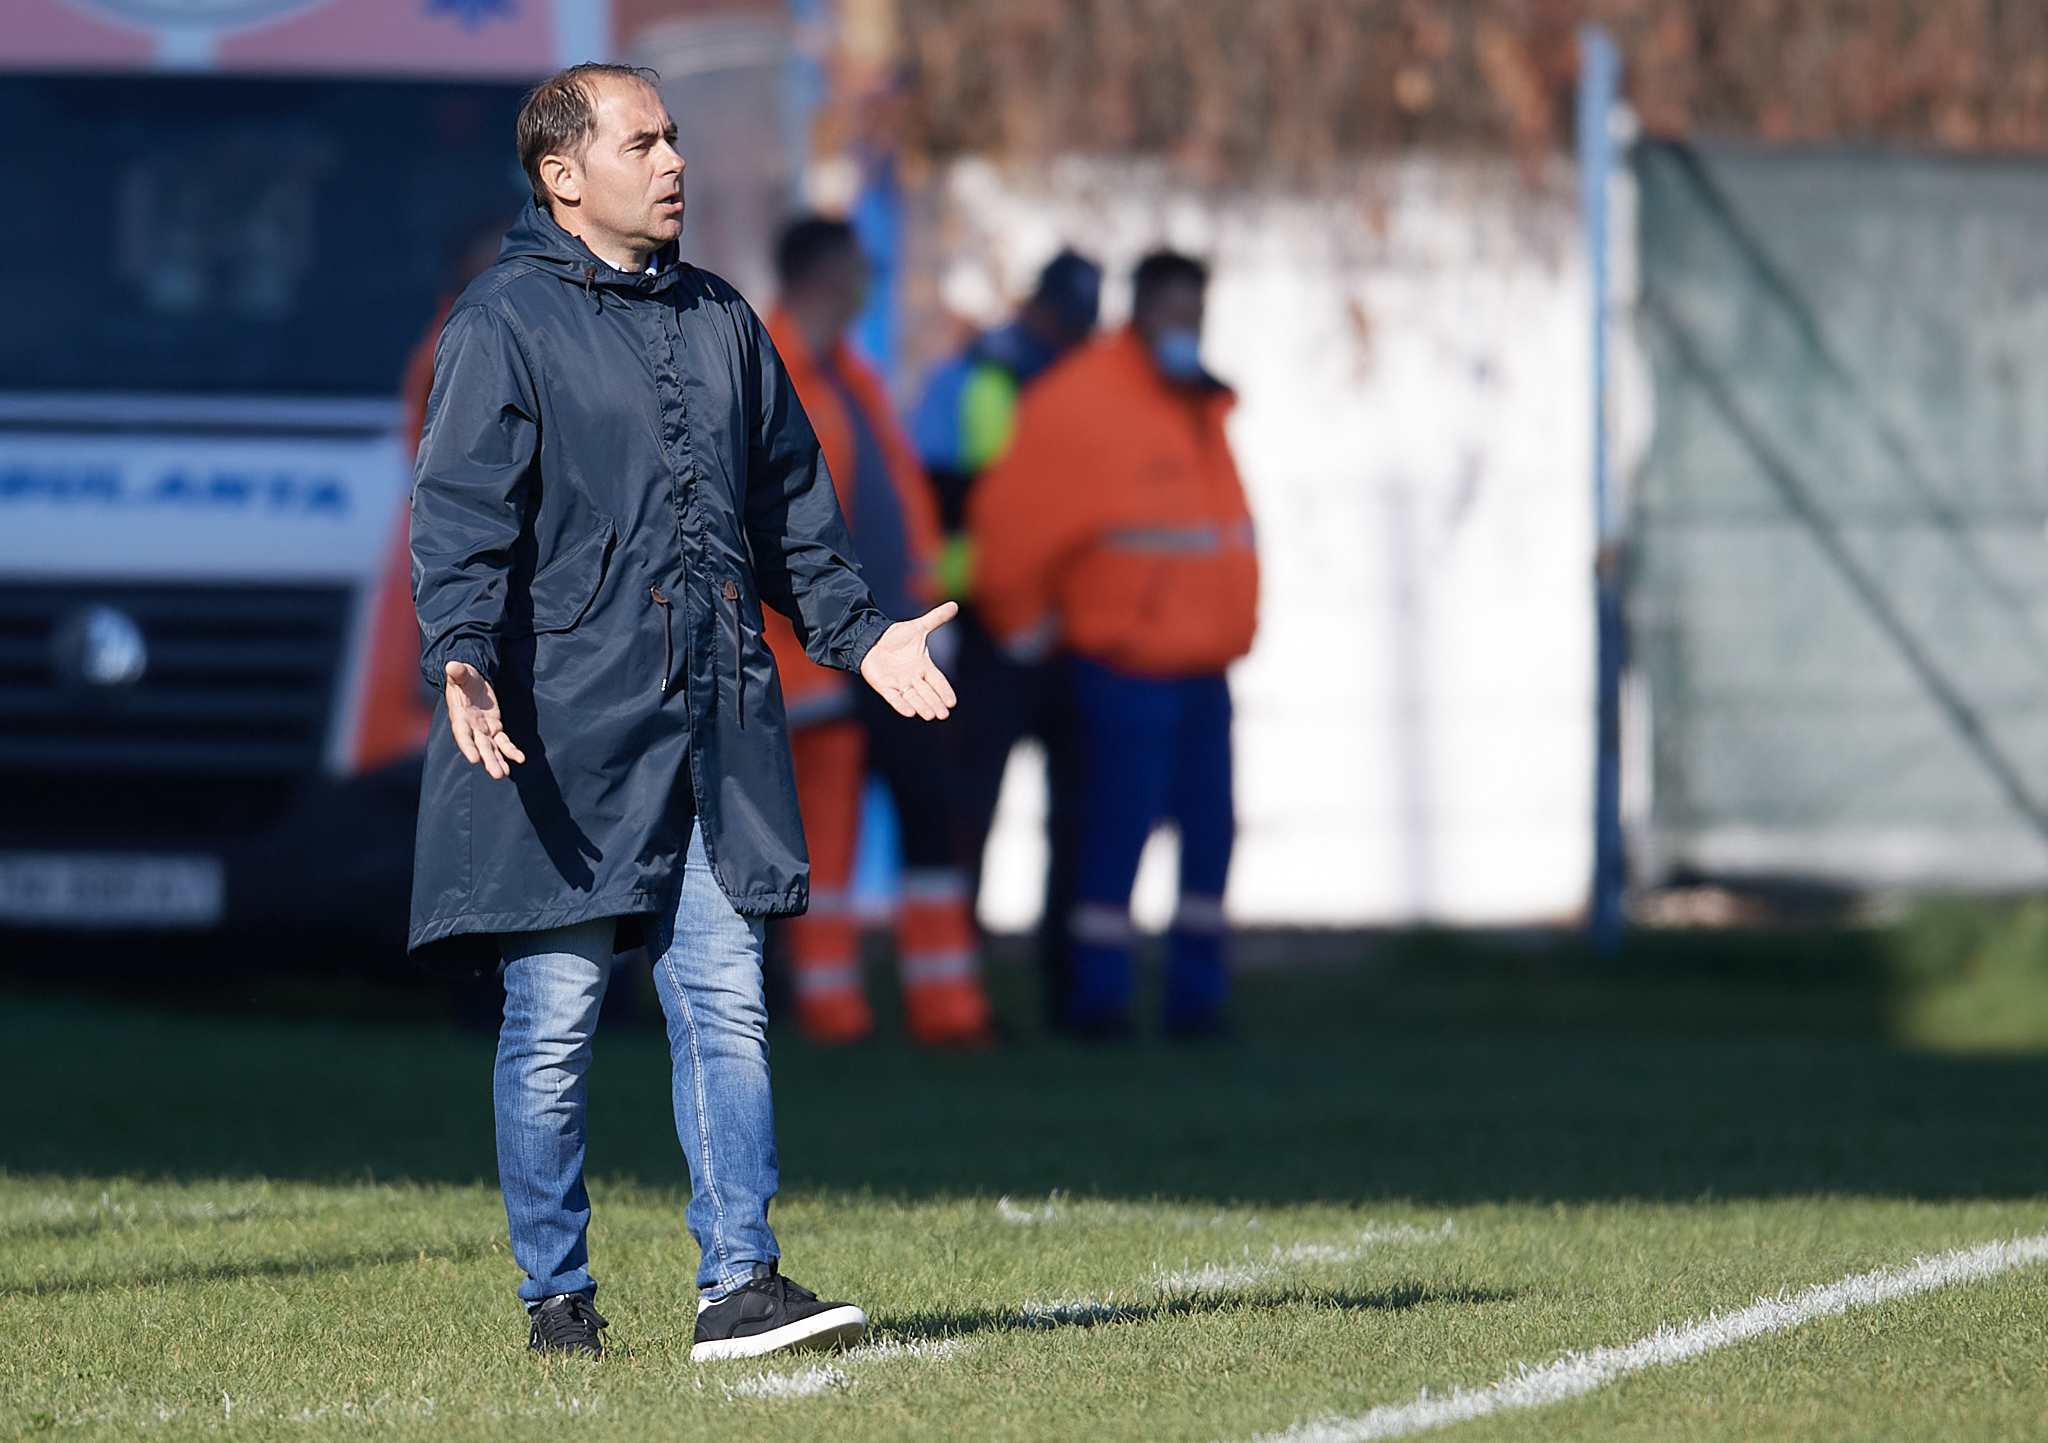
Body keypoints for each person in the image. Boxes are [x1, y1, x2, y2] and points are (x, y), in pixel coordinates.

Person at [408, 63, 959, 1362]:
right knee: (552, 1024)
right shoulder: (500, 323)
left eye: (672, 139)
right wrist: (462, 653)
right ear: (561, 177)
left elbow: (791, 512)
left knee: (725, 1001)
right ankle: (557, 1299)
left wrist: (861, 633)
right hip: (560, 735)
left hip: (713, 729)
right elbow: (462, 511)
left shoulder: (721, 317)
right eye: (641, 143)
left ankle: (738, 1285)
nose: (672, 163)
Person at [970, 251, 1257, 1039]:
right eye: (1174, 310)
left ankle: (1197, 998)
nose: (1187, 327)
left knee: (1209, 838)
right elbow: (1011, 525)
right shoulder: (1084, 401)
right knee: (1114, 836)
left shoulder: (1195, 403)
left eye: (1196, 312)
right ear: (1139, 311)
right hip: (1125, 664)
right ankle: (1099, 1000)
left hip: (1203, 666)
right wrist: (1025, 629)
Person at [762, 215, 994, 1047]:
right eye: (859, 268)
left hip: (887, 648)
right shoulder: (769, 371)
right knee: (824, 833)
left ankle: (944, 1004)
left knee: (927, 812)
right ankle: (830, 1006)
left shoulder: (849, 375)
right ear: (828, 273)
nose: (868, 283)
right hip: (822, 658)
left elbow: (893, 509)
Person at [911, 250, 1100, 1028]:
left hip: (1067, 623)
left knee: (1071, 813)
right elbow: (938, 494)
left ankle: (1067, 983)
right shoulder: (981, 376)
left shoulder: (1079, 378)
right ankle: (960, 978)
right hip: (986, 622)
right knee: (970, 807)